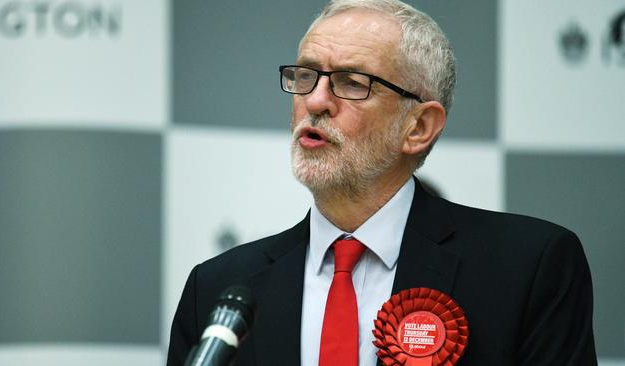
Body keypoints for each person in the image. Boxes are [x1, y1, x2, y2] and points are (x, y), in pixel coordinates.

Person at [167, 1, 597, 365]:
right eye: (305, 76)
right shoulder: (217, 289)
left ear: (418, 127)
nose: (315, 101)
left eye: (352, 83)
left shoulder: (529, 268)